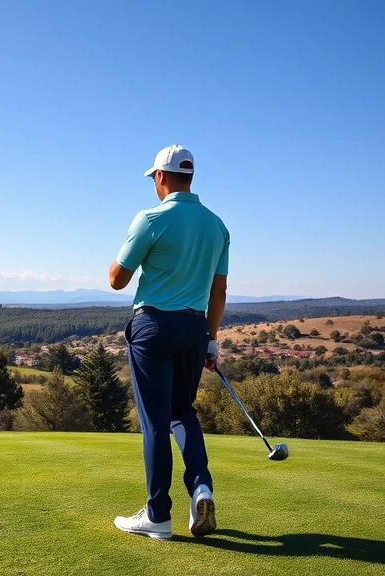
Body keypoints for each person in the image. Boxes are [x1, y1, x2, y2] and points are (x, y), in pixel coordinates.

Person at [108, 144, 229, 540]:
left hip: (154, 328)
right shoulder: (217, 225)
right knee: (183, 412)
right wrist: (211, 340)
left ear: (160, 176)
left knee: (155, 422)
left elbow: (117, 279)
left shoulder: (150, 218)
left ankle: (158, 514)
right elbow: (219, 292)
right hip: (196, 330)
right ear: (189, 177)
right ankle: (201, 487)